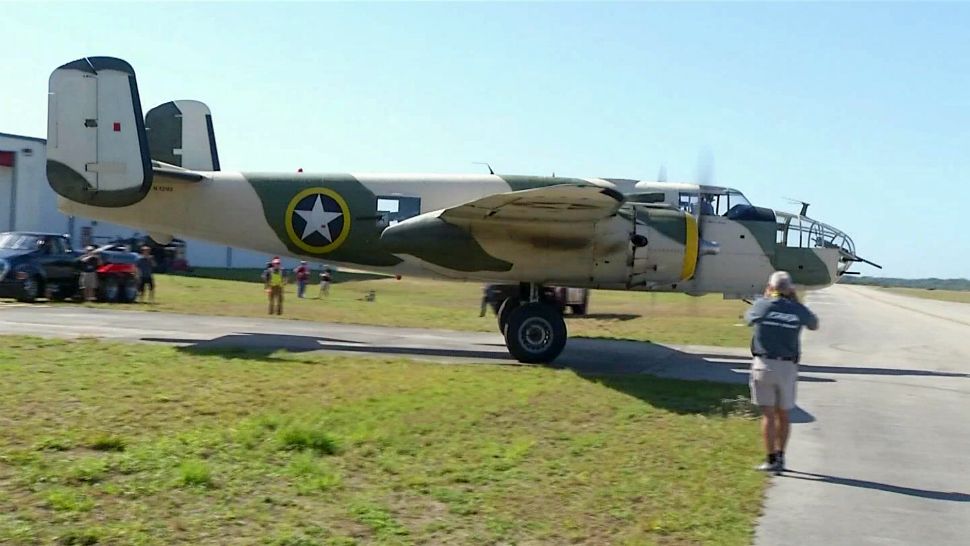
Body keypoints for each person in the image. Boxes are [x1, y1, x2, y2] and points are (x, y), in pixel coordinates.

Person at [745, 271, 819, 472]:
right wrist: (794, 302)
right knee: (783, 414)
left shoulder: (761, 305)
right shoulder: (797, 309)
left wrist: (767, 298)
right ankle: (781, 457)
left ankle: (770, 459)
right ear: (790, 289)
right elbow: (814, 324)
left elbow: (749, 319)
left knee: (768, 415)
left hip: (763, 364)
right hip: (787, 367)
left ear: (770, 287)